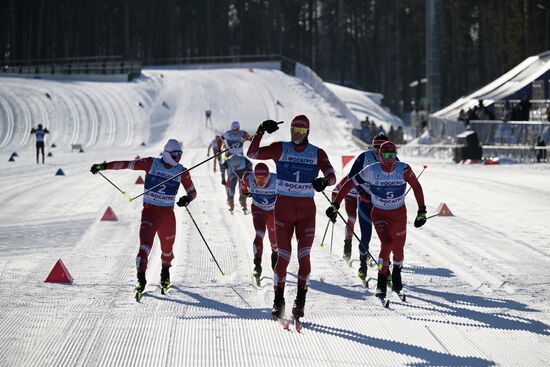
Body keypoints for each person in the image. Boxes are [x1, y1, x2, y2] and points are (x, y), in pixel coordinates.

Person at [247, 115, 336, 321]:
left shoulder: (317, 153)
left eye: (302, 132)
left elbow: (332, 176)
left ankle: (300, 302)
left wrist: (324, 181)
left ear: (307, 133)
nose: (297, 134)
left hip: (306, 213)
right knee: (283, 258)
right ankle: (278, 302)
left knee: (304, 257)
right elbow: (252, 153)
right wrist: (260, 130)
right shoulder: (280, 148)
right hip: (283, 211)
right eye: (295, 130)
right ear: (291, 131)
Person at [90, 139, 197, 299]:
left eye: (180, 154)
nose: (178, 158)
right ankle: (141, 279)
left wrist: (186, 199)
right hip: (149, 213)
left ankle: (165, 271)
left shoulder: (182, 171)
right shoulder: (151, 163)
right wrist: (103, 166)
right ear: (167, 154)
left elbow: (192, 192)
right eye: (175, 155)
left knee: (167, 251)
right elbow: (126, 164)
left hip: (167, 216)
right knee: (144, 247)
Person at [326, 141, 425, 300]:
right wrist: (335, 204)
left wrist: (422, 211)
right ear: (379, 155)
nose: (390, 158)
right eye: (385, 155)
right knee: (387, 244)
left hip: (399, 215)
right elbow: (349, 183)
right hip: (380, 214)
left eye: (392, 155)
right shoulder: (371, 170)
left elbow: (417, 187)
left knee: (398, 250)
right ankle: (381, 281)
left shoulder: (403, 169)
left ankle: (397, 272)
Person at [341, 132, 389, 281]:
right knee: (365, 236)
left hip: (382, 205)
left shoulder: (392, 158)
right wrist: (361, 192)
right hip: (366, 202)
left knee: (387, 239)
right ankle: (363, 265)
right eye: (375, 147)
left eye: (381, 147)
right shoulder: (364, 157)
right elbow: (351, 177)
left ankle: (386, 269)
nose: (378, 151)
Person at [241, 163, 279, 280]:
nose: (260, 181)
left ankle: (275, 252)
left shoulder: (276, 180)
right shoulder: (248, 177)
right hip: (258, 210)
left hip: (272, 212)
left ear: (268, 176)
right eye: (258, 178)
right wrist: (245, 192)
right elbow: (243, 185)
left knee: (274, 241)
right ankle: (257, 264)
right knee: (259, 233)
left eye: (263, 178)